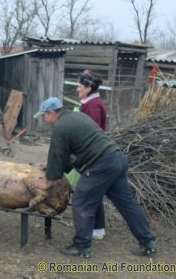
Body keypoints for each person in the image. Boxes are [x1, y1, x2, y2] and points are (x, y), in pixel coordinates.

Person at [31, 97, 156, 258]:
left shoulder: (60, 127)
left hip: (101, 165)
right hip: (116, 158)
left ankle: (82, 246)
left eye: (44, 115)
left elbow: (57, 154)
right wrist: (51, 169)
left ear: (52, 113)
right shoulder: (76, 116)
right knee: (127, 203)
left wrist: (48, 181)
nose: (43, 119)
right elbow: (69, 155)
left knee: (81, 202)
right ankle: (148, 242)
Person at [76, 70, 106, 239]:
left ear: (88, 88)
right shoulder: (89, 103)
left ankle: (95, 228)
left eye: (79, 86)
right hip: (93, 155)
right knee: (94, 192)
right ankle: (97, 228)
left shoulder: (93, 106)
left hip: (94, 156)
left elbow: (92, 134)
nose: (77, 89)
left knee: (89, 192)